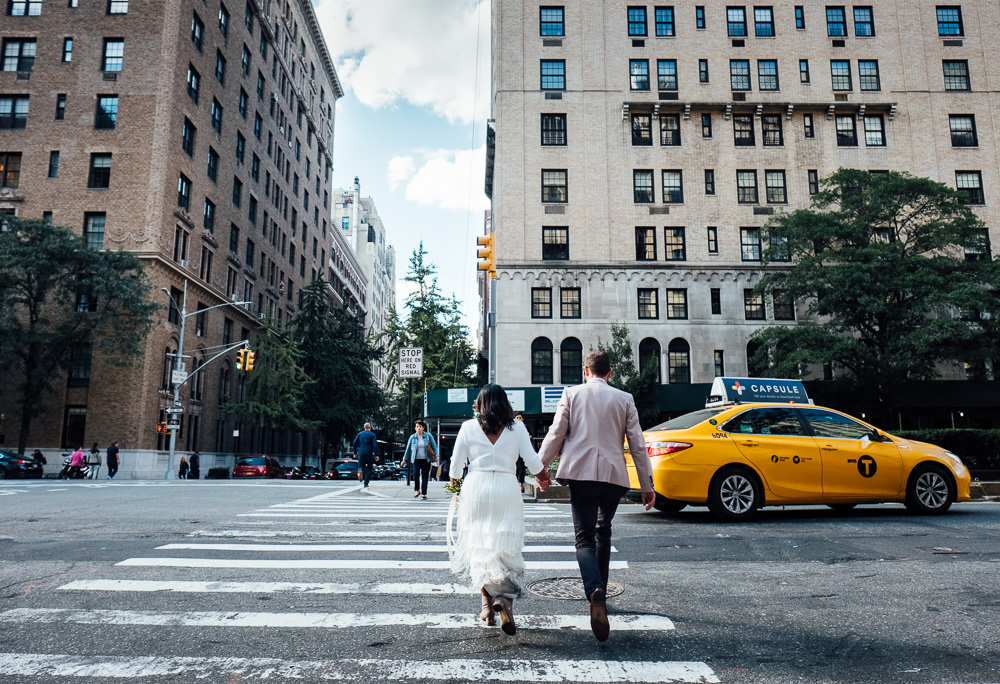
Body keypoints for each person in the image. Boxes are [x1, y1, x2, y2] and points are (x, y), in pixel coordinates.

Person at [537, 350, 656, 642]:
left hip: (581, 474)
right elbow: (638, 444)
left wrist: (539, 469)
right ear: (610, 372)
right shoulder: (625, 399)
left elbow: (556, 434)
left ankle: (594, 591)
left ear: (585, 371)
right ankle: (600, 588)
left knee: (584, 537)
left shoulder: (571, 394)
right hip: (614, 477)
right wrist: (646, 484)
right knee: (604, 531)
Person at [449, 384, 551, 636]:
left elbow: (454, 467)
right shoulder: (517, 428)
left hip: (477, 488)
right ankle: (504, 600)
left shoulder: (468, 428)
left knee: (480, 545)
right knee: (505, 546)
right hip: (506, 488)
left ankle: (486, 607)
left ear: (480, 404)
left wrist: (457, 490)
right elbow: (532, 460)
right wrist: (544, 477)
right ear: (505, 404)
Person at [403, 419, 438, 499]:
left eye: (420, 426)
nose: (419, 428)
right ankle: (417, 490)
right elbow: (408, 449)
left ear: (423, 427)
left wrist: (437, 456)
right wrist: (404, 459)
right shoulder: (412, 437)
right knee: (416, 474)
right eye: (417, 426)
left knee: (425, 476)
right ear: (415, 428)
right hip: (416, 460)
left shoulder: (428, 436)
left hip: (426, 460)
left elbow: (434, 446)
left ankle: (424, 493)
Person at [352, 422, 379, 489]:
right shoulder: (372, 435)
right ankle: (365, 483)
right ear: (370, 427)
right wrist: (376, 455)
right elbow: (375, 445)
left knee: (361, 465)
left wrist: (355, 453)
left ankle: (360, 470)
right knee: (370, 468)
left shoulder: (360, 434)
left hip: (361, 452)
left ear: (364, 428)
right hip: (369, 453)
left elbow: (354, 443)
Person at [514, 414, 527, 493]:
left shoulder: (525, 427)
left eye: (520, 417)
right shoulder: (511, 428)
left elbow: (530, 436)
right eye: (517, 418)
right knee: (516, 468)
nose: (519, 419)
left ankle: (521, 485)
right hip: (515, 452)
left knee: (522, 469)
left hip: (523, 451)